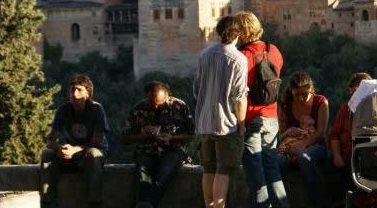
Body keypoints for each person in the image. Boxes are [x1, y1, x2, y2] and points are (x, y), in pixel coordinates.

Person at [236, 11, 289, 208]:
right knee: (272, 169)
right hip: (271, 117)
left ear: (242, 32)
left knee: (255, 174)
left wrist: (239, 123)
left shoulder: (243, 56)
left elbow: (239, 92)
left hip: (250, 118)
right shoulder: (273, 50)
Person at [194, 16, 248, 208]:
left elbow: (196, 88)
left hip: (204, 122)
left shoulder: (204, 54)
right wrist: (241, 124)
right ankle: (219, 206)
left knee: (208, 168)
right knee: (223, 169)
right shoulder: (239, 59)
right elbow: (239, 96)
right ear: (238, 35)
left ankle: (210, 206)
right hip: (226, 124)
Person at [122, 81, 195, 208]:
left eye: (159, 104)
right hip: (147, 151)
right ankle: (146, 204)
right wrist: (144, 136)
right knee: (142, 175)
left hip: (173, 150)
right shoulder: (138, 109)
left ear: (168, 96)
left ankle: (146, 204)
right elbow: (125, 139)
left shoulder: (179, 106)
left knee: (165, 172)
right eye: (151, 103)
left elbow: (191, 135)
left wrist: (172, 138)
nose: (155, 107)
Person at [40, 74, 109, 207]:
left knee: (93, 153)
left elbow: (97, 141)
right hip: (69, 155)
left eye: (79, 90)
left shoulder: (96, 109)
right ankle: (47, 202)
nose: (74, 94)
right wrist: (59, 148)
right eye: (72, 90)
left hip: (89, 154)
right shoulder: (62, 110)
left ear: (88, 93)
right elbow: (50, 140)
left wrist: (75, 149)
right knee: (47, 154)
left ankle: (94, 203)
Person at [278, 72, 329, 208]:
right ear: (291, 91)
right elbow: (280, 136)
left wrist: (303, 145)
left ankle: (319, 203)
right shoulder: (285, 106)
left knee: (304, 157)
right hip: (290, 148)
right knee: (278, 162)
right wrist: (288, 132)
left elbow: (321, 132)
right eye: (297, 95)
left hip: (316, 146)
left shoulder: (320, 102)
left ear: (311, 90)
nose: (300, 98)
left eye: (304, 95)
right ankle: (280, 203)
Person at [327, 72, 371, 206]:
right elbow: (334, 135)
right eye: (357, 90)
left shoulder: (376, 107)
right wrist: (337, 155)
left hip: (368, 159)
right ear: (351, 90)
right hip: (347, 158)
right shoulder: (345, 108)